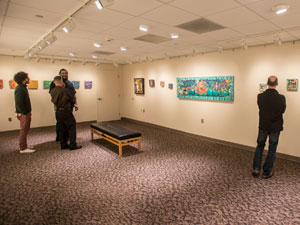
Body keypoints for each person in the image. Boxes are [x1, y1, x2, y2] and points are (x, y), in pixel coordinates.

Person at [252, 75, 286, 179]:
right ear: (276, 84)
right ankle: (266, 172)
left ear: (267, 83)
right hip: (275, 127)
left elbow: (260, 107)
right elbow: (283, 110)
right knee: (272, 148)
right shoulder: (281, 98)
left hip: (263, 125)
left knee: (260, 146)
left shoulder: (260, 96)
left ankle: (256, 169)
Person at [50, 76, 82, 150]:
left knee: (61, 128)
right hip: (66, 111)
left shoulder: (52, 91)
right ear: (61, 82)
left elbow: (53, 100)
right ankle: (73, 145)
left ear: (54, 82)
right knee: (72, 126)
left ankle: (63, 145)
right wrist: (74, 104)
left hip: (58, 111)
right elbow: (71, 99)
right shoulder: (65, 90)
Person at [49, 68, 78, 142]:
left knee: (68, 123)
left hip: (69, 106)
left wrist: (76, 104)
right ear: (60, 74)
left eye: (66, 73)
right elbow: (53, 96)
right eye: (63, 73)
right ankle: (59, 138)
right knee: (60, 123)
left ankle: (67, 137)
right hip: (60, 106)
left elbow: (73, 94)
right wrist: (55, 105)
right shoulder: (54, 83)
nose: (64, 74)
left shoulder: (70, 83)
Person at [14, 71, 36, 153]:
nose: (29, 79)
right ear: (23, 79)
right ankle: (23, 148)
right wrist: (25, 112)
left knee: (25, 129)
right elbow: (18, 102)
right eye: (27, 77)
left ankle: (24, 146)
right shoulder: (20, 89)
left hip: (24, 113)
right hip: (24, 114)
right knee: (24, 130)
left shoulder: (22, 88)